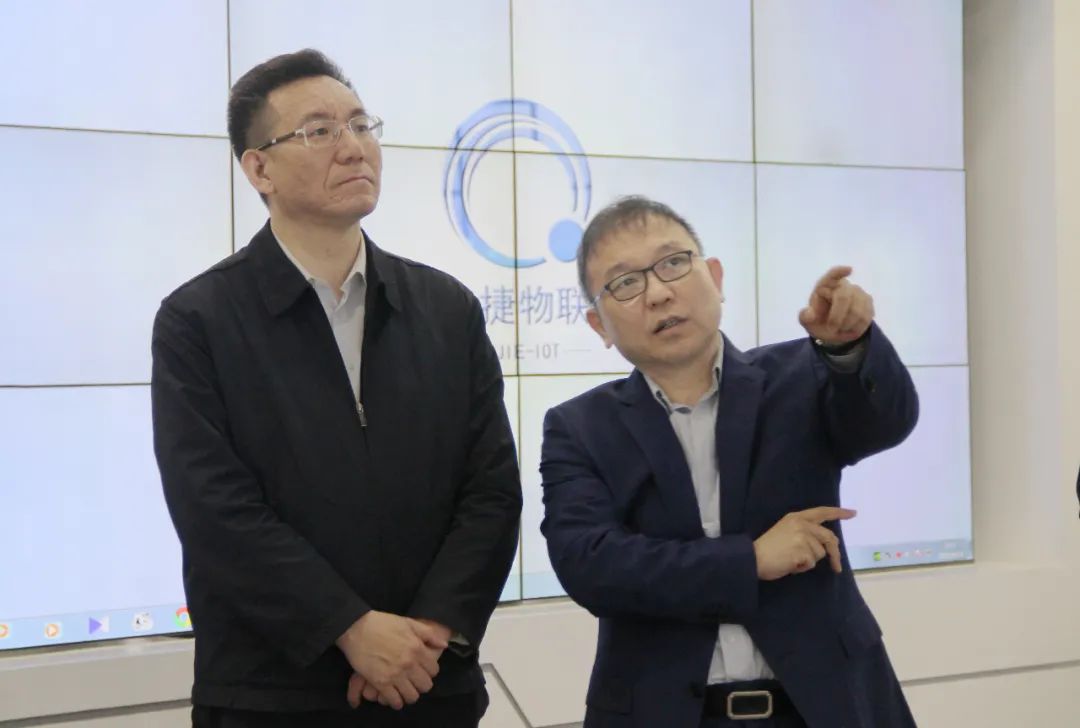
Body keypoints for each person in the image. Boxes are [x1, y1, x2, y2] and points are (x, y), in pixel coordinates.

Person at [151, 49, 522, 728]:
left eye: (360, 124)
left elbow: (491, 491)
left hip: (431, 688)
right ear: (258, 168)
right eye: (319, 131)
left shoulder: (446, 309)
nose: (353, 147)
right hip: (270, 695)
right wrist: (350, 629)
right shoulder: (199, 320)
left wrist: (427, 636)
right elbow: (214, 510)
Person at [540, 196, 919, 728]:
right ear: (598, 325)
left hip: (821, 706)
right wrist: (750, 561)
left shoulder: (801, 375)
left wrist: (849, 347)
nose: (658, 293)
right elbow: (591, 565)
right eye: (625, 283)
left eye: (673, 263)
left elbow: (887, 423)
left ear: (715, 277)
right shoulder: (580, 427)